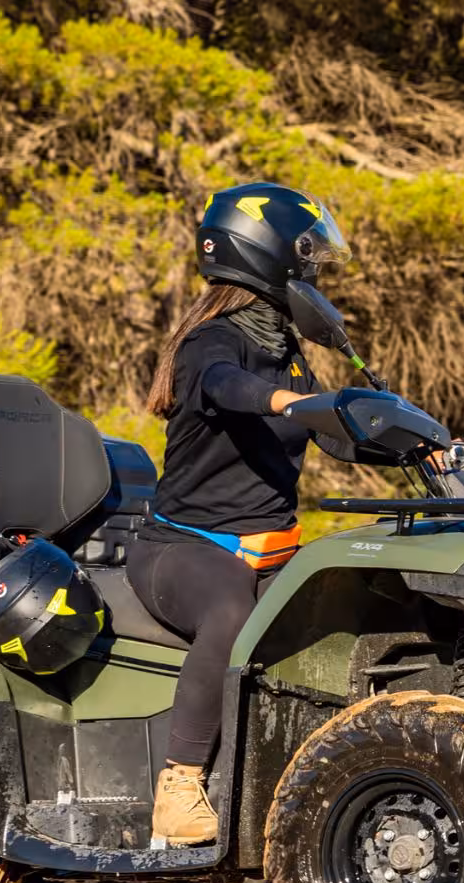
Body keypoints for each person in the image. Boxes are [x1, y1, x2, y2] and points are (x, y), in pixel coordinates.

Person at [132, 181, 356, 846]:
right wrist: (286, 403)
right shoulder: (209, 343)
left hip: (271, 551)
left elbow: (337, 434)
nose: (315, 273)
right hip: (184, 550)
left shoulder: (288, 352)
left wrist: (417, 443)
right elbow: (227, 389)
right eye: (307, 256)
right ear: (267, 253)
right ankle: (178, 788)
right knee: (230, 611)